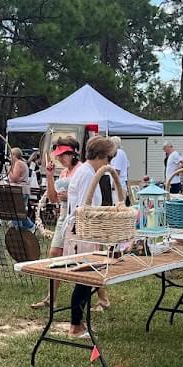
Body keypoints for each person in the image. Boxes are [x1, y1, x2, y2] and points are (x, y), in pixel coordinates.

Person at [63, 135, 119, 338]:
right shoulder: (87, 174)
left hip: (82, 231)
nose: (109, 163)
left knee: (88, 278)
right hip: (82, 232)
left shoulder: (86, 171)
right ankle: (75, 325)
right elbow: (85, 208)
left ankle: (79, 322)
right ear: (101, 156)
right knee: (85, 278)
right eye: (109, 158)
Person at [31, 139, 79, 309]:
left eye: (63, 155)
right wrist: (50, 176)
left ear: (72, 153)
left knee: (82, 259)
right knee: (54, 254)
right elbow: (53, 198)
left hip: (78, 218)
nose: (60, 159)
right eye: (58, 156)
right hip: (64, 217)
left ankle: (101, 297)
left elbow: (90, 196)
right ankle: (51, 298)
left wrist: (71, 197)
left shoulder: (82, 171)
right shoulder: (64, 173)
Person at [6, 147, 35, 231]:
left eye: (10, 154)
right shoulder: (22, 163)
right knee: (19, 212)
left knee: (16, 212)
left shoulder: (18, 163)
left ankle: (18, 229)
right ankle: (27, 227)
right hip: (21, 190)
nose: (9, 156)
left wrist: (9, 169)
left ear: (14, 155)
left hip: (19, 191)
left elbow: (14, 178)